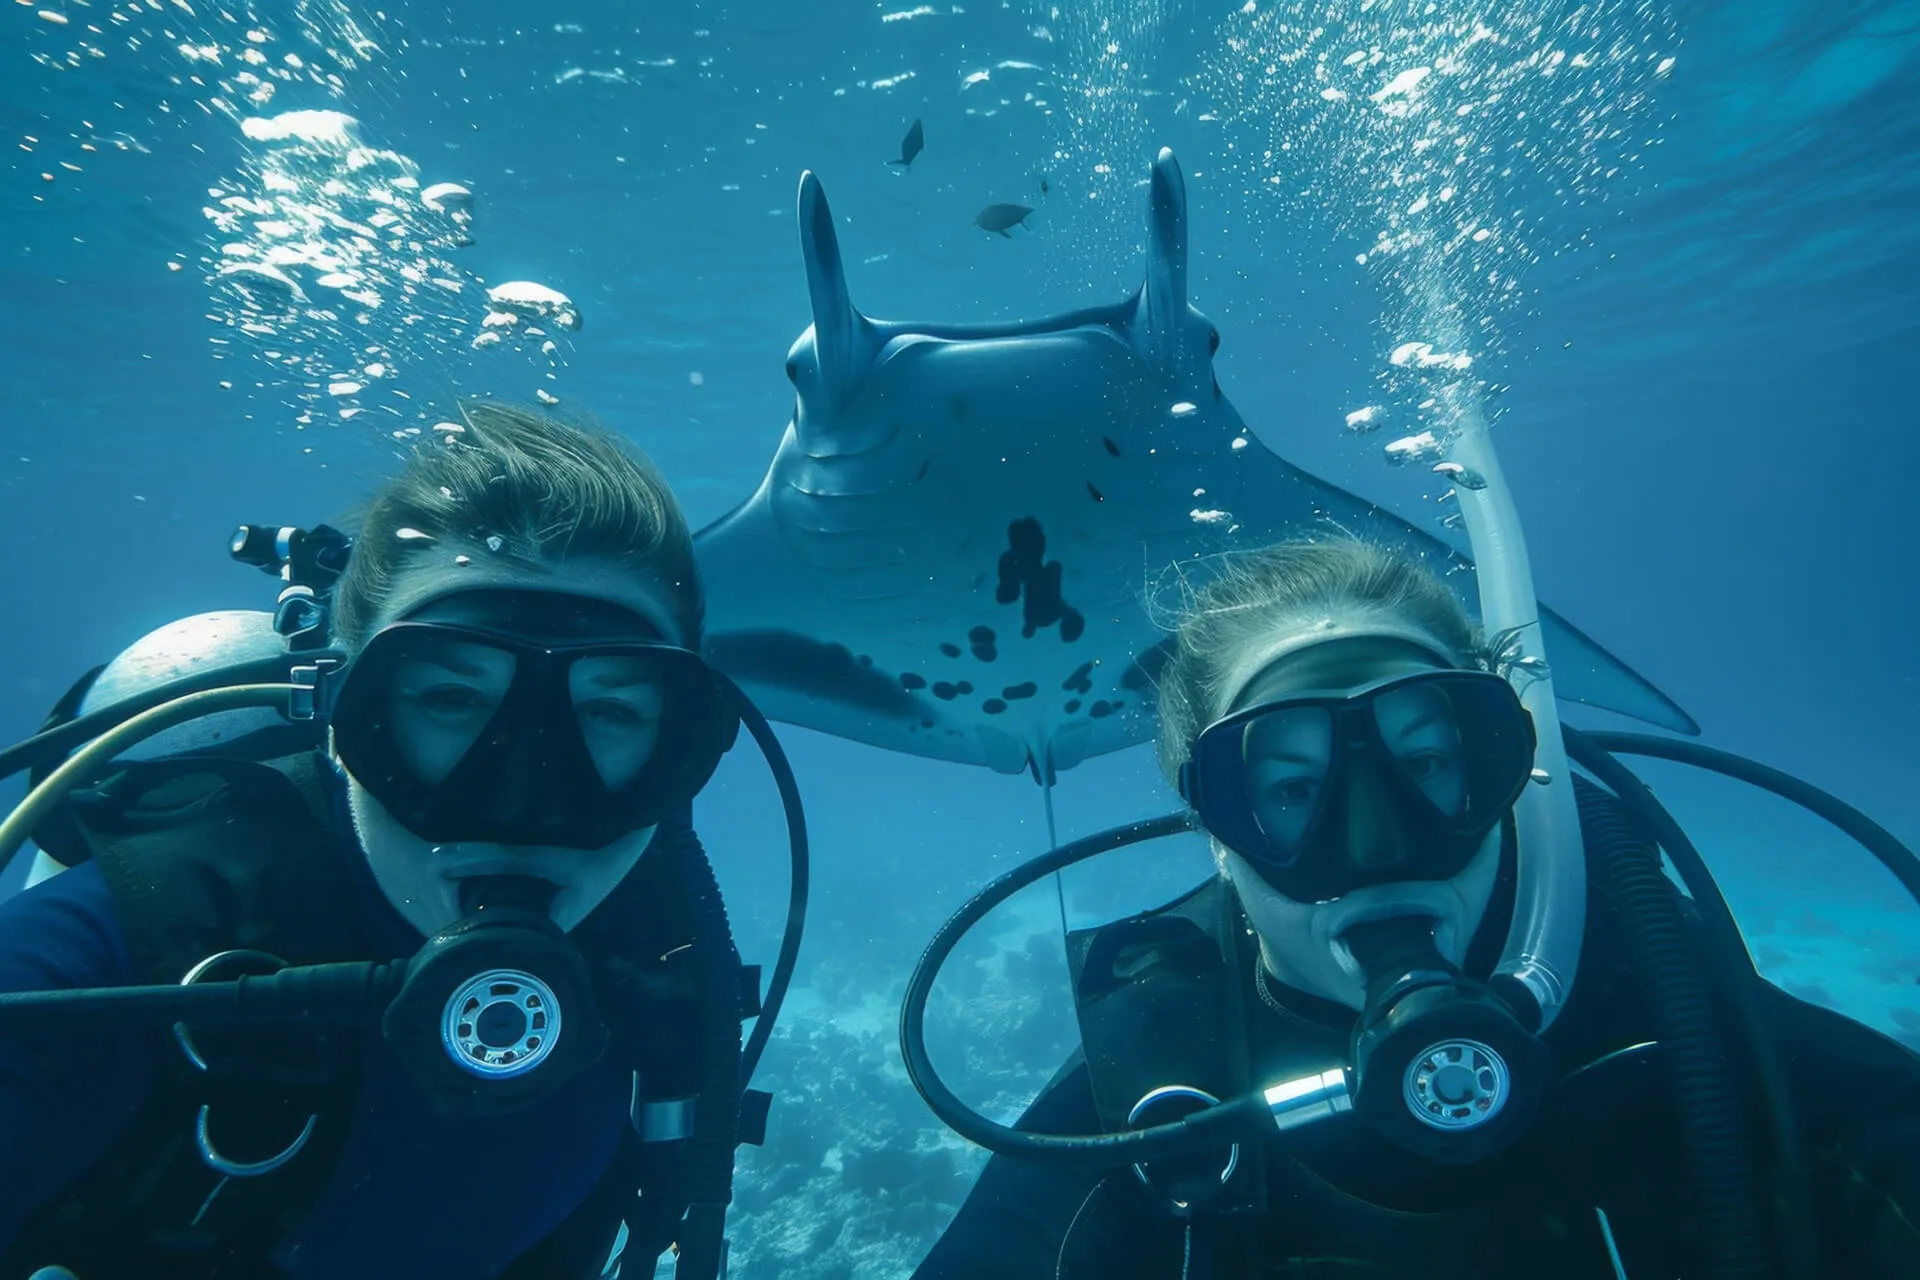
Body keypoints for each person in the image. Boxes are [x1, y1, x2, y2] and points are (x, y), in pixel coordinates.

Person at [907, 534, 1920, 1279]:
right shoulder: (1159, 1097)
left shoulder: (1666, 1009)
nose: (1380, 847)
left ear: (1503, 776)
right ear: (1215, 829)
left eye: (1428, 761)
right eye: (1295, 790)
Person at [0, 402, 803, 1280]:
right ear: (348, 721)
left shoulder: (662, 957)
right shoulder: (114, 968)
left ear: (678, 746)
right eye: (450, 700)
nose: (522, 807)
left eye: (609, 710)